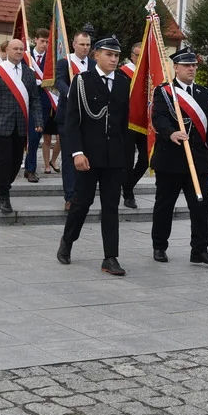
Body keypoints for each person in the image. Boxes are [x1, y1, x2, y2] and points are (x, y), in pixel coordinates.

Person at [57, 35, 130, 276]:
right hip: (88, 155)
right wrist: (77, 152)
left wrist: (125, 156)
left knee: (111, 206)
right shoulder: (81, 81)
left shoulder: (122, 82)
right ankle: (67, 241)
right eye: (109, 54)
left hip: (114, 156)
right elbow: (72, 121)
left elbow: (123, 124)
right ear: (95, 55)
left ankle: (111, 257)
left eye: (117, 55)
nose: (113, 59)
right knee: (82, 203)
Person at [150, 48, 208, 265]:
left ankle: (200, 249)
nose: (192, 69)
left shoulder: (204, 94)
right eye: (187, 65)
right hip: (170, 159)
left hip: (198, 160)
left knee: (201, 205)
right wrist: (170, 132)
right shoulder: (163, 91)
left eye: (194, 65)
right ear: (176, 68)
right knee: (165, 205)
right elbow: (159, 117)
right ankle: (159, 246)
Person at [0, 39, 44, 213]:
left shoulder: (29, 73)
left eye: (21, 49)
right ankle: (3, 195)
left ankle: (3, 186)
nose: (18, 52)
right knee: (4, 160)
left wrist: (38, 121)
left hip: (21, 125)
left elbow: (35, 100)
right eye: (15, 49)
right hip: (1, 124)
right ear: (7, 50)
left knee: (16, 162)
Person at [55, 31, 95, 210]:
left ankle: (82, 192)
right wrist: (71, 93)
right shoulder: (65, 62)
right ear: (74, 44)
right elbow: (59, 82)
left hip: (88, 118)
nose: (85, 48)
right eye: (82, 44)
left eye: (88, 45)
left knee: (87, 155)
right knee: (70, 157)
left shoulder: (93, 64)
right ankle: (70, 196)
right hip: (67, 117)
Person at [119, 42, 149, 209]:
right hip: (128, 123)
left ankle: (127, 186)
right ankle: (128, 195)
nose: (139, 58)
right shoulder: (123, 73)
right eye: (137, 55)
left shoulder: (149, 74)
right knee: (127, 161)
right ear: (131, 56)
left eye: (142, 55)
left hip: (145, 122)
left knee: (146, 159)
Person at [23, 28, 51, 183]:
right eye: (42, 41)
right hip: (25, 98)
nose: (44, 45)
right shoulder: (26, 56)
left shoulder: (50, 59)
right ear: (35, 40)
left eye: (47, 42)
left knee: (35, 137)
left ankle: (30, 169)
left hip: (43, 100)